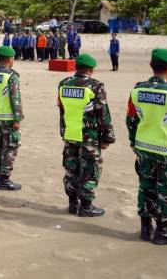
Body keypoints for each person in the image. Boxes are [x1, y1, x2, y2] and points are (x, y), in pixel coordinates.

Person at [126, 49, 167, 245]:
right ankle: (162, 232)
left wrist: (134, 143)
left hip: (143, 147)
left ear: (151, 66)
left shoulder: (137, 91)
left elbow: (131, 120)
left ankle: (145, 229)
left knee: (146, 187)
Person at [57, 54, 114, 217]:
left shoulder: (64, 84)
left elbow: (62, 109)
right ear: (91, 69)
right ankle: (86, 206)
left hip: (70, 133)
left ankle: (72, 203)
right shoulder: (95, 86)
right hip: (88, 136)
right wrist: (107, 137)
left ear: (76, 67)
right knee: (89, 169)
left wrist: (63, 130)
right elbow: (103, 114)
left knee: (71, 168)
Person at [0, 46, 23, 190]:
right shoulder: (11, 75)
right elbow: (15, 98)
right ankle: (4, 179)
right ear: (10, 59)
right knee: (10, 147)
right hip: (8, 118)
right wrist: (17, 118)